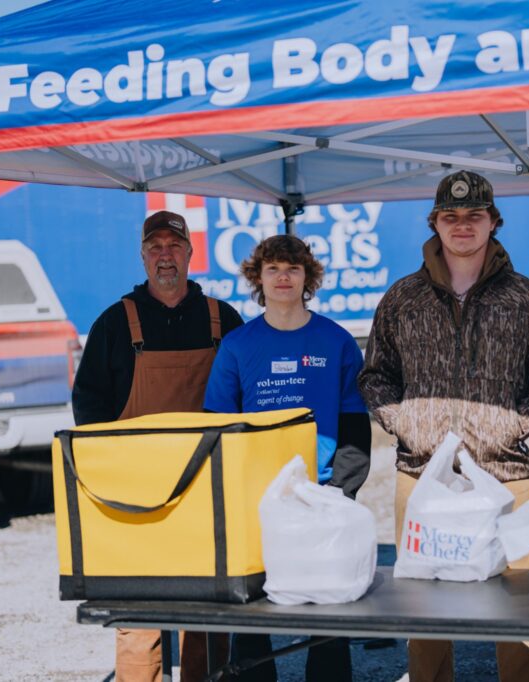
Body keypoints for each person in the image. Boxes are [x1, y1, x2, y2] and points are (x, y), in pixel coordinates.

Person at [358, 170, 529, 682]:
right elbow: (375, 376)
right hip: (421, 473)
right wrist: (408, 424)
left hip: (506, 472)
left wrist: (515, 425)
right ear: (435, 223)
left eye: (474, 215)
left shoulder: (524, 297)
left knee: (519, 609)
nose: (462, 225)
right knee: (426, 609)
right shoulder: (403, 298)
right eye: (451, 216)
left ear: (494, 222)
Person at [72, 210, 243, 682]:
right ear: (142, 255)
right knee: (138, 613)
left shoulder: (223, 319)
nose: (165, 255)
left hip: (207, 488)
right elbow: (87, 404)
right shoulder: (114, 322)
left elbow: (246, 398)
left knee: (205, 611)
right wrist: (110, 472)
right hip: (136, 493)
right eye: (155, 246)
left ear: (190, 253)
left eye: (174, 245)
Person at [204, 234, 371, 682]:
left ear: (307, 277)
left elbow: (355, 424)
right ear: (258, 277)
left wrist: (340, 492)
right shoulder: (238, 346)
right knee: (253, 610)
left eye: (293, 268)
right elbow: (217, 428)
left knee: (328, 613)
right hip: (258, 500)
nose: (283, 276)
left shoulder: (335, 341)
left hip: (323, 495)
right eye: (273, 268)